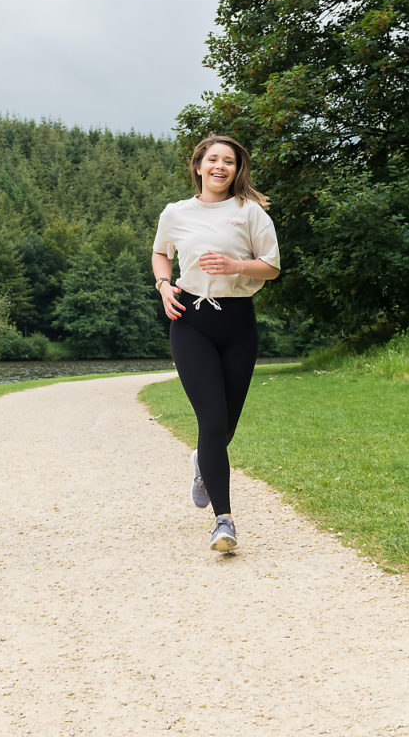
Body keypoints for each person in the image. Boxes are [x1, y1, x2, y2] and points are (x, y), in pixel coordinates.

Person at [152, 135, 280, 553]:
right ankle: (224, 522)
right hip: (190, 320)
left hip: (238, 321)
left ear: (236, 169)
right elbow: (160, 253)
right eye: (214, 159)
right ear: (199, 166)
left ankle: (201, 463)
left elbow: (271, 267)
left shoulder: (251, 213)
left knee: (226, 425)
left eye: (229, 161)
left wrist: (235, 265)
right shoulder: (176, 213)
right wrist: (164, 285)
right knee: (211, 419)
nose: (221, 166)